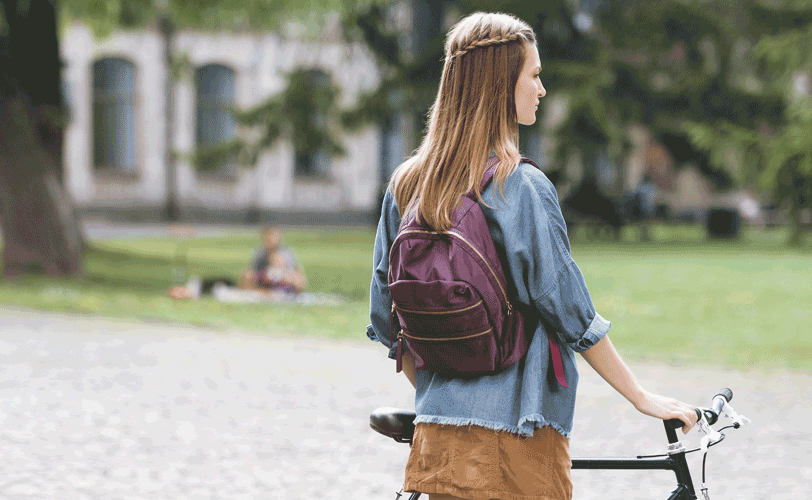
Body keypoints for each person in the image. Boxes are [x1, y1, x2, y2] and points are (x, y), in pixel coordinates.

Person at [364, 12, 698, 500]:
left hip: (436, 436)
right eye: (534, 76)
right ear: (501, 85)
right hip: (517, 435)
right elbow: (571, 312)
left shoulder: (407, 184)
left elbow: (386, 319)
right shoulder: (519, 186)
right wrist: (642, 398)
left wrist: (442, 387)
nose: (541, 89)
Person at [240, 225, 306, 295]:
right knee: (247, 275)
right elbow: (250, 275)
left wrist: (280, 276)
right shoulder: (260, 255)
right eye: (268, 235)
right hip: (263, 286)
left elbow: (300, 281)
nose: (270, 239)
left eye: (273, 235)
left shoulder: (286, 254)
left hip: (283, 285)